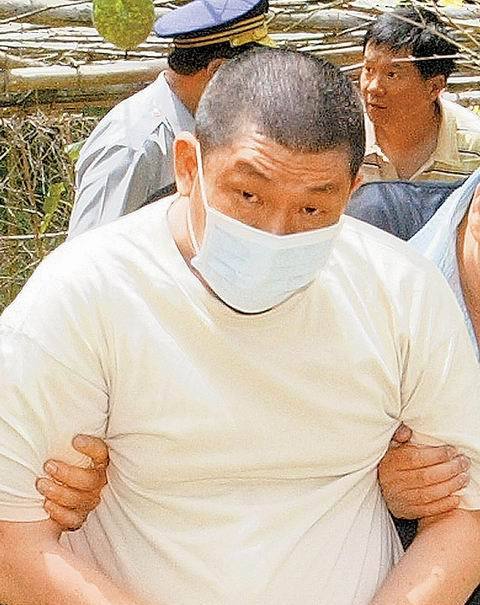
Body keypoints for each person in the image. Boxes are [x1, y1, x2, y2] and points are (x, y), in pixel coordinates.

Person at [1, 49, 480, 605]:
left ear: (352, 192)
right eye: (248, 195)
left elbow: (465, 514)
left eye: (312, 209)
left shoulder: (400, 291)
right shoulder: (85, 295)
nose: (275, 233)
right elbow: (14, 541)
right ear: (188, 167)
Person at [68, 0, 274, 238]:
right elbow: (89, 251)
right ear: (217, 72)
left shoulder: (209, 127)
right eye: (254, 76)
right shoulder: (132, 147)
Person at [360, 7, 480, 183]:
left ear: (434, 87)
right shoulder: (344, 137)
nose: (373, 87)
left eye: (392, 74)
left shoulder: (474, 148)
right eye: (369, 69)